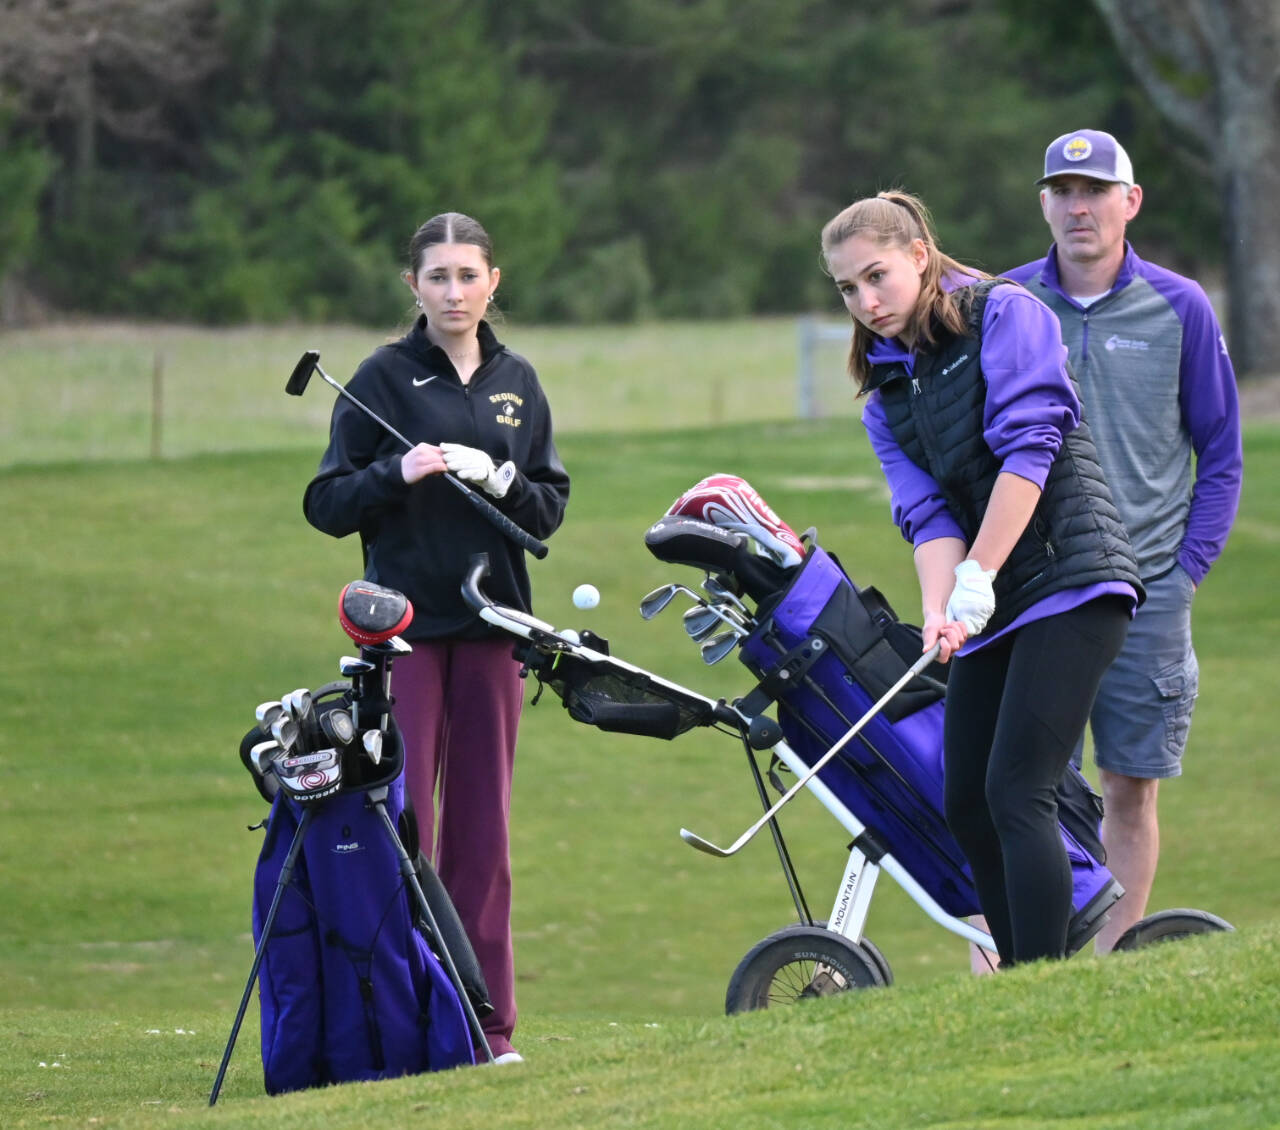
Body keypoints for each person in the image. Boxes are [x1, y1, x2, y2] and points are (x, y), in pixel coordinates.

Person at [820, 190, 1144, 965]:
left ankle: (1042, 984)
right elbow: (927, 513)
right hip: (992, 600)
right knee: (965, 800)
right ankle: (1026, 974)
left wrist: (980, 575)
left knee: (1017, 791)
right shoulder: (888, 392)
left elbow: (1031, 450)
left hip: (1073, 581)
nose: (867, 302)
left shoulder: (1006, 312)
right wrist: (942, 608)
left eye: (878, 276)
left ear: (920, 257)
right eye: (847, 289)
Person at [303, 212, 571, 1062]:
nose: (454, 292)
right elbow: (326, 503)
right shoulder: (380, 380)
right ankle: (409, 1021)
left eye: (468, 275)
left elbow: (548, 508)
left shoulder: (518, 381)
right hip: (404, 639)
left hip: (493, 629)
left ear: (495, 282)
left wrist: (501, 475)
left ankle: (488, 1028)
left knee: (482, 839)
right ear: (412, 287)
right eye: (437, 277)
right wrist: (398, 471)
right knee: (402, 828)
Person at [1005, 130, 1243, 953]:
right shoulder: (1006, 304)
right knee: (1020, 789)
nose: (1079, 207)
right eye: (1063, 191)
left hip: (1147, 591)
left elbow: (1220, 451)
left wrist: (1185, 572)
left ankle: (1109, 963)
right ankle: (1012, 962)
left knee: (1129, 787)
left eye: (1096, 191)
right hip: (1033, 593)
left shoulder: (1180, 306)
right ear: (1043, 203)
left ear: (1129, 202)